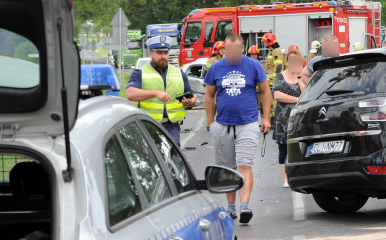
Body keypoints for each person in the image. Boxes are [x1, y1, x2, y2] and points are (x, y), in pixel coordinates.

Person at [204, 33, 272, 224]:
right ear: (224, 49)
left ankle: (244, 207)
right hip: (223, 124)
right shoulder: (216, 68)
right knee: (228, 169)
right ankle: (231, 207)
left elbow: (266, 91)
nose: (232, 53)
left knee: (244, 165)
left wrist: (265, 118)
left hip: (248, 123)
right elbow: (209, 96)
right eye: (228, 50)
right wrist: (211, 123)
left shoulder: (253, 66)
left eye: (236, 49)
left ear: (242, 48)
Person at [125, 34, 197, 147]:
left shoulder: (178, 72)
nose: (163, 56)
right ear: (151, 54)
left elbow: (192, 94)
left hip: (172, 125)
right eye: (159, 53)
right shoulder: (140, 72)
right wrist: (155, 93)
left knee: (174, 156)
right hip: (149, 124)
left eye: (165, 53)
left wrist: (191, 101)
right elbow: (130, 93)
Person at [273, 47, 305, 187]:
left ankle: (297, 176)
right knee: (283, 148)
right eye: (291, 59)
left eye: (296, 60)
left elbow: (306, 93)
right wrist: (296, 99)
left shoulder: (303, 76)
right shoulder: (280, 76)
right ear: (287, 60)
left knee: (299, 147)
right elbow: (277, 95)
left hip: (299, 119)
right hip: (283, 118)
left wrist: (299, 78)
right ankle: (286, 178)